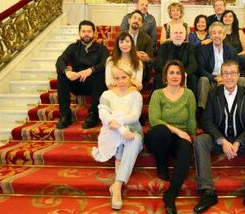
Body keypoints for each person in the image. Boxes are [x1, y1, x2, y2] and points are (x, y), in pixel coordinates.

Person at [193, 60, 245, 214]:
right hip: (219, 141)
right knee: (200, 140)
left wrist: (239, 141)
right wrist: (222, 140)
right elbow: (206, 121)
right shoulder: (213, 94)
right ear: (221, 76)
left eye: (232, 73)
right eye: (225, 73)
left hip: (244, 141)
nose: (229, 77)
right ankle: (208, 192)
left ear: (238, 75)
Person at [145, 60, 196, 214]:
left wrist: (191, 138)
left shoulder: (189, 94)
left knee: (186, 150)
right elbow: (154, 120)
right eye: (171, 73)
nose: (175, 76)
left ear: (183, 76)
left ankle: (170, 195)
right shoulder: (158, 94)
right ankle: (161, 165)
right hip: (158, 137)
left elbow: (191, 120)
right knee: (162, 131)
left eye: (178, 73)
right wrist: (178, 131)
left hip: (179, 137)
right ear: (165, 76)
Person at [91, 66, 143, 210]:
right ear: (113, 79)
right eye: (117, 78)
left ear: (130, 78)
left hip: (132, 128)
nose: (120, 81)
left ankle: (117, 185)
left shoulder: (136, 95)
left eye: (124, 77)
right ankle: (118, 188)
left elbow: (134, 117)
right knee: (120, 143)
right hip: (113, 129)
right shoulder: (106, 94)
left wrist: (113, 119)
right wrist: (119, 128)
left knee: (135, 139)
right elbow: (103, 114)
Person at [55, 20, 108, 129]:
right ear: (79, 33)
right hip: (76, 82)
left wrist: (90, 70)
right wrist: (67, 71)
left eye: (89, 31)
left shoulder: (102, 49)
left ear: (94, 33)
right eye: (83, 31)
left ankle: (93, 114)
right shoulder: (73, 47)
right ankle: (65, 114)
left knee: (100, 74)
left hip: (93, 84)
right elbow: (60, 61)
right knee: (62, 75)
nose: (86, 34)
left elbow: (105, 64)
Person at [197, 22, 245, 112]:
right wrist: (215, 78)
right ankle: (202, 112)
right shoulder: (203, 50)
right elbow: (201, 69)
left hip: (229, 78)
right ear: (210, 36)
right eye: (214, 33)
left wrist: (225, 78)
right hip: (211, 80)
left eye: (220, 33)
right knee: (203, 80)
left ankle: (243, 110)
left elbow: (235, 69)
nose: (217, 35)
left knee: (242, 80)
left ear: (224, 35)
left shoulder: (232, 50)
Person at [155, 23, 198, 94]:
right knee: (158, 78)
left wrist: (183, 74)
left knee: (193, 78)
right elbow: (158, 64)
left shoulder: (190, 47)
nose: (178, 35)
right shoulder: (163, 47)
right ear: (171, 36)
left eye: (181, 33)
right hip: (167, 74)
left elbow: (193, 64)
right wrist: (169, 73)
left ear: (184, 36)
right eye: (175, 33)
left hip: (185, 74)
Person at [126, 9, 154, 83]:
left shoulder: (147, 39)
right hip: (124, 65)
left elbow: (150, 59)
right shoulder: (122, 36)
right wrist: (134, 54)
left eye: (139, 20)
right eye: (134, 18)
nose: (136, 21)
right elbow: (116, 54)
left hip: (140, 69)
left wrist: (147, 59)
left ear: (141, 24)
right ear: (129, 20)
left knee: (139, 66)